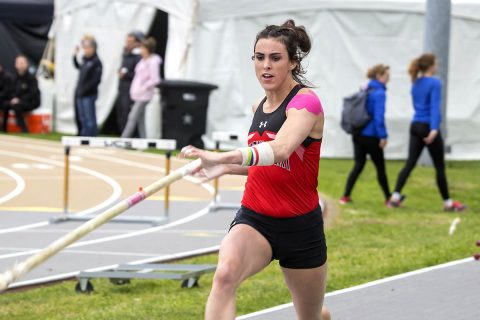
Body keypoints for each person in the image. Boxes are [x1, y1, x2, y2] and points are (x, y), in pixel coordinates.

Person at [180, 20, 328, 320]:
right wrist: (227, 169)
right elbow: (265, 163)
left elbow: (282, 149)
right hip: (256, 219)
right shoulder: (258, 106)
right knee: (224, 277)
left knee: (310, 317)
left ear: (293, 63)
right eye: (259, 57)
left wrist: (223, 157)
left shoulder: (306, 103)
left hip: (300, 227)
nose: (266, 66)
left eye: (275, 58)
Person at [389, 53, 466, 212]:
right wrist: (434, 129)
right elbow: (435, 108)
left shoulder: (415, 82)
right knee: (439, 167)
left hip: (415, 125)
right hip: (427, 127)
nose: (437, 66)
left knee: (410, 163)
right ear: (430, 66)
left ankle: (394, 197)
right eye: (436, 64)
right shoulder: (435, 83)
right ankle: (448, 203)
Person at [340, 64, 391, 206]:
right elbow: (378, 117)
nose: (389, 78)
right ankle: (388, 199)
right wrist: (383, 136)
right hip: (371, 136)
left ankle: (345, 196)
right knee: (380, 167)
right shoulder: (379, 93)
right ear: (379, 76)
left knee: (358, 165)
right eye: (387, 75)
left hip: (358, 133)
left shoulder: (365, 88)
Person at [121, 37, 161, 138]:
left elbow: (155, 79)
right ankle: (144, 142)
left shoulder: (153, 62)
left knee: (132, 117)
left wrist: (143, 87)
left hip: (144, 95)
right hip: (138, 95)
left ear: (147, 49)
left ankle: (123, 140)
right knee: (140, 119)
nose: (141, 50)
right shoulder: (143, 61)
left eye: (143, 48)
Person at [1, 55, 40, 133]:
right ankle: (3, 128)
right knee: (6, 104)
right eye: (18, 62)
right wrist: (13, 98)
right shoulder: (15, 77)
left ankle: (24, 128)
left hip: (30, 102)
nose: (20, 65)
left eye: (22, 62)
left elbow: (33, 93)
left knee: (16, 105)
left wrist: (20, 100)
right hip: (17, 101)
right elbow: (12, 91)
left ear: (26, 64)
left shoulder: (31, 78)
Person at [73, 36, 102, 136]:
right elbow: (78, 66)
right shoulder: (85, 60)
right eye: (84, 48)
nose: (85, 50)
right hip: (81, 94)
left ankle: (92, 137)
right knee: (82, 118)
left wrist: (85, 89)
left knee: (90, 118)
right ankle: (83, 137)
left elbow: (96, 80)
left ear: (93, 48)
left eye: (87, 47)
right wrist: (74, 56)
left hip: (89, 94)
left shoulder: (96, 62)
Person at [115, 31, 143, 133]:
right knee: (121, 113)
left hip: (131, 90)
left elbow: (138, 75)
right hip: (122, 88)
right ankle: (123, 136)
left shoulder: (138, 56)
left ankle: (130, 138)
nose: (127, 44)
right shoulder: (126, 54)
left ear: (137, 43)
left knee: (128, 115)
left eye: (130, 41)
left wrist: (126, 75)